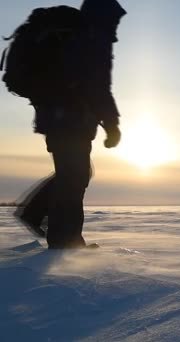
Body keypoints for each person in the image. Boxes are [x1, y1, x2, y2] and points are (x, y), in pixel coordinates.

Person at [14, 0, 126, 249]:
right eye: (115, 19)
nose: (116, 25)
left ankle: (37, 215)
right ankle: (66, 241)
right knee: (73, 177)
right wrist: (112, 124)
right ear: (103, 17)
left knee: (74, 174)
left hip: (56, 115)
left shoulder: (76, 35)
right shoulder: (92, 38)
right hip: (70, 118)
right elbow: (98, 87)